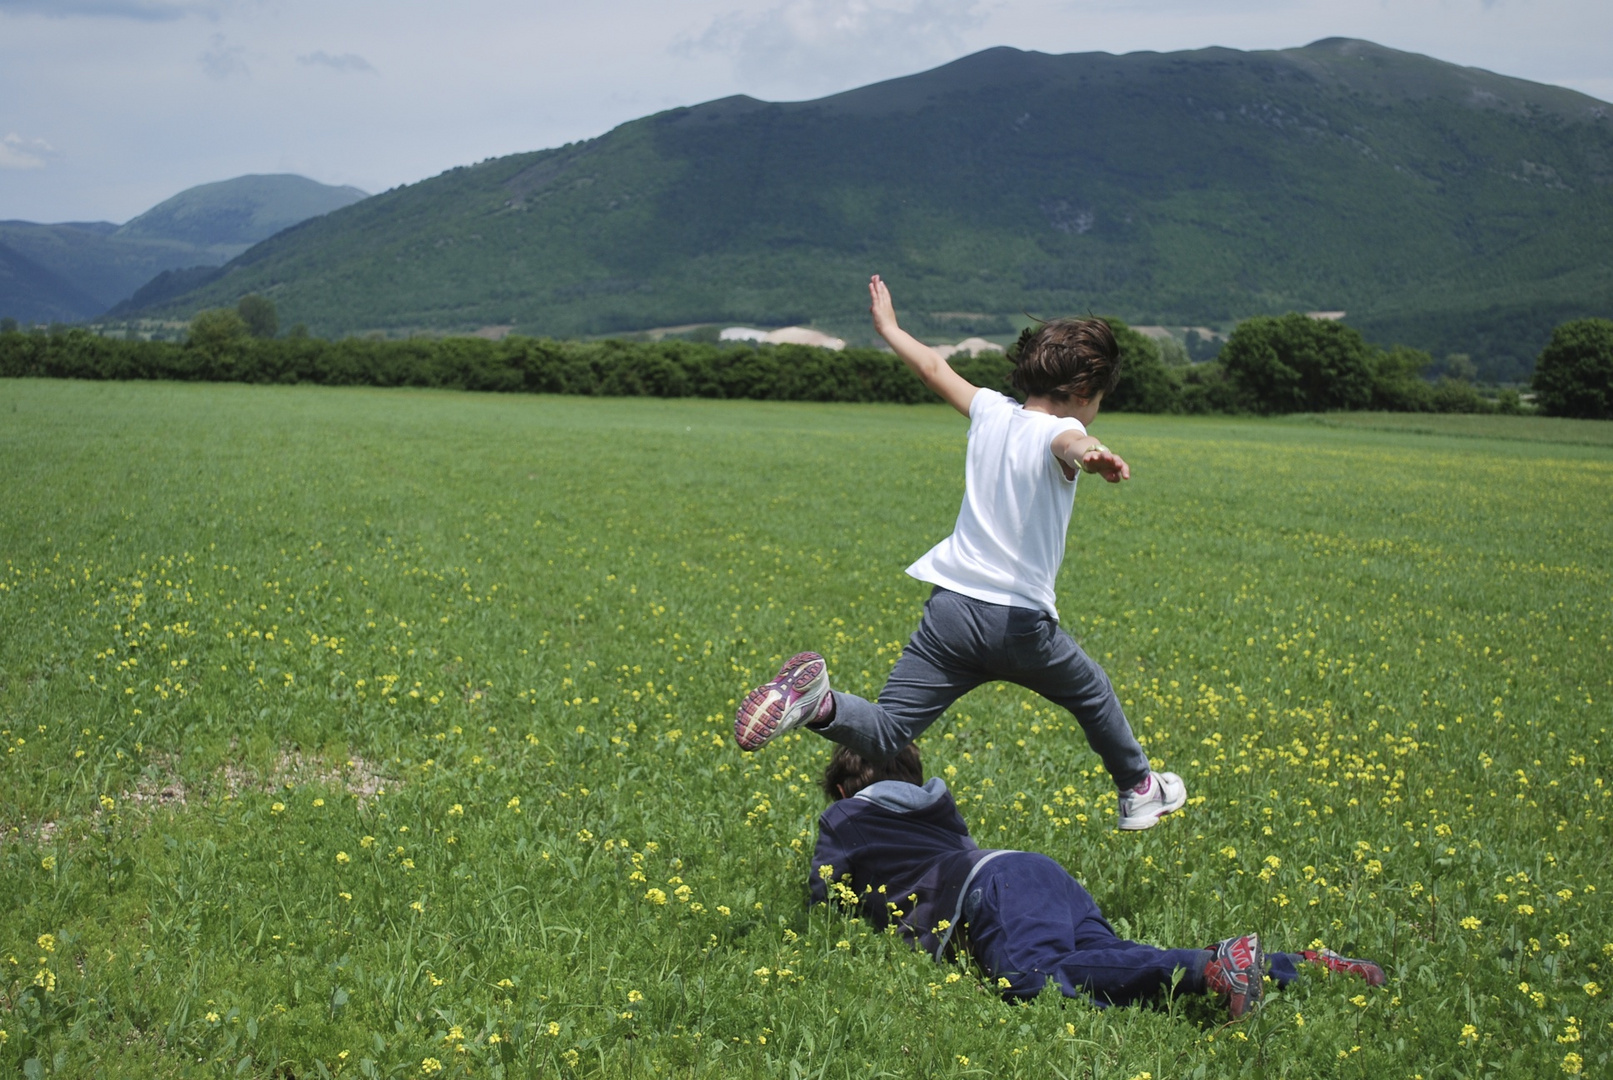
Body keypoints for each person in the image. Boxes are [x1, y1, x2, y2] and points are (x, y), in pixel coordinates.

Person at [736, 273, 1183, 830]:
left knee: (889, 730)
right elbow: (1067, 439)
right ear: (1087, 394)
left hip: (950, 611)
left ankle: (818, 705)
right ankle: (1139, 788)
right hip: (1017, 623)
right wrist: (1092, 451)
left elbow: (933, 367)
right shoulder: (1064, 430)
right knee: (1091, 693)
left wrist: (891, 329)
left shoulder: (991, 411)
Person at [808, 743, 1386, 1018]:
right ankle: (1302, 965)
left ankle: (1214, 966)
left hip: (994, 889)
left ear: (840, 790)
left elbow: (824, 895)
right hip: (1033, 871)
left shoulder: (846, 816)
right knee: (1114, 961)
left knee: (1031, 977)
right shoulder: (938, 807)